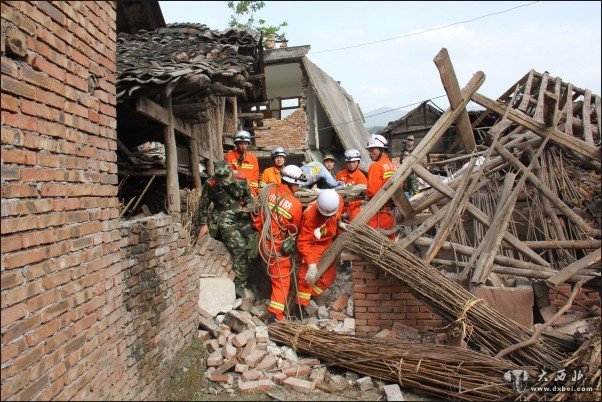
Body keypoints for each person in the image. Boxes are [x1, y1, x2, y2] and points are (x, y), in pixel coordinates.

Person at [197, 160, 256, 297]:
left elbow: (249, 197)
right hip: (223, 216)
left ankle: (256, 278)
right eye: (220, 178)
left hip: (242, 213)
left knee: (254, 243)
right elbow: (203, 204)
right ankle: (239, 285)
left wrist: (250, 210)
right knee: (239, 247)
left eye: (226, 177)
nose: (224, 181)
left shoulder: (240, 177)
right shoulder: (210, 184)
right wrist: (203, 224)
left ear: (230, 171)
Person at [253, 165, 303, 323]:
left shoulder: (268, 191)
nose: (299, 187)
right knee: (282, 281)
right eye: (297, 184)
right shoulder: (295, 204)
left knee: (271, 274)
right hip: (276, 246)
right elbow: (294, 228)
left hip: (261, 240)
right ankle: (276, 315)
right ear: (292, 183)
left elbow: (258, 213)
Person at [295, 189, 344, 310]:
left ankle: (313, 296)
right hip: (313, 244)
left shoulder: (338, 201)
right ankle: (300, 307)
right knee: (306, 278)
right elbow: (303, 242)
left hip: (328, 242)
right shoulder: (310, 216)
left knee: (329, 275)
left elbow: (339, 215)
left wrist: (340, 223)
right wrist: (311, 263)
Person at [365, 134, 396, 239]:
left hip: (378, 214)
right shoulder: (392, 165)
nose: (370, 153)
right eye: (369, 150)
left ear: (381, 149)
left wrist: (366, 197)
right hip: (391, 213)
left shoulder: (375, 166)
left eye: (372, 149)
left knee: (373, 242)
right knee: (389, 241)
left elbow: (372, 192)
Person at [225, 130, 260, 197]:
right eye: (241, 144)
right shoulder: (229, 157)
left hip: (249, 191)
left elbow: (255, 179)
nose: (244, 146)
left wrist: (252, 192)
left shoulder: (253, 159)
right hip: (234, 191)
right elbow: (228, 176)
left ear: (248, 144)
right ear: (236, 144)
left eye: (245, 144)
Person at [335, 149, 367, 221]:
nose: (351, 164)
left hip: (352, 209)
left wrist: (348, 212)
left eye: (353, 162)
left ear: (358, 162)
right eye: (349, 162)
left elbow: (359, 199)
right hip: (338, 207)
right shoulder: (340, 174)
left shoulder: (361, 177)